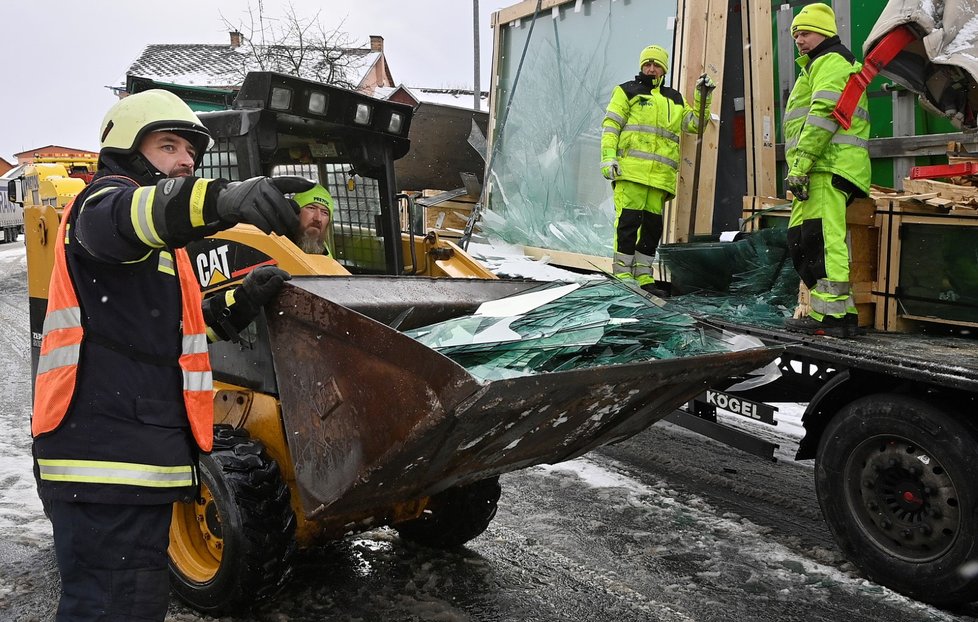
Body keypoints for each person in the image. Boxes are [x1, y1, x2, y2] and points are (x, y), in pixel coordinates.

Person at [31, 89, 313, 621]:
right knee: (113, 609)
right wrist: (226, 199)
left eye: (191, 151)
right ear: (128, 153)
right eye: (169, 146)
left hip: (130, 462)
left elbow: (182, 329)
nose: (186, 160)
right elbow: (137, 213)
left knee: (131, 606)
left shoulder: (159, 253)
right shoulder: (101, 206)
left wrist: (242, 298)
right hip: (104, 464)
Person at [781, 2, 871, 338]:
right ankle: (840, 313)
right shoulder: (821, 64)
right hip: (819, 166)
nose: (798, 40)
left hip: (825, 165)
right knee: (806, 239)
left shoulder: (831, 62)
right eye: (794, 35)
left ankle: (831, 318)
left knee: (819, 238)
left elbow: (823, 116)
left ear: (824, 31)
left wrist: (801, 165)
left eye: (803, 32)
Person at [601, 44, 716, 297]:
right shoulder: (626, 92)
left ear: (664, 68)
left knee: (652, 228)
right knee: (629, 224)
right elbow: (611, 126)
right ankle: (622, 273)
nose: (651, 68)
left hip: (660, 178)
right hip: (631, 173)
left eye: (656, 64)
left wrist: (702, 97)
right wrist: (608, 158)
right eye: (647, 63)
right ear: (641, 66)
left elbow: (695, 125)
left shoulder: (674, 98)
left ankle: (643, 274)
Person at [292, 183, 334, 255]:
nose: (318, 218)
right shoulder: (275, 245)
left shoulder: (328, 258)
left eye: (324, 213)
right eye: (312, 208)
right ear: (295, 211)